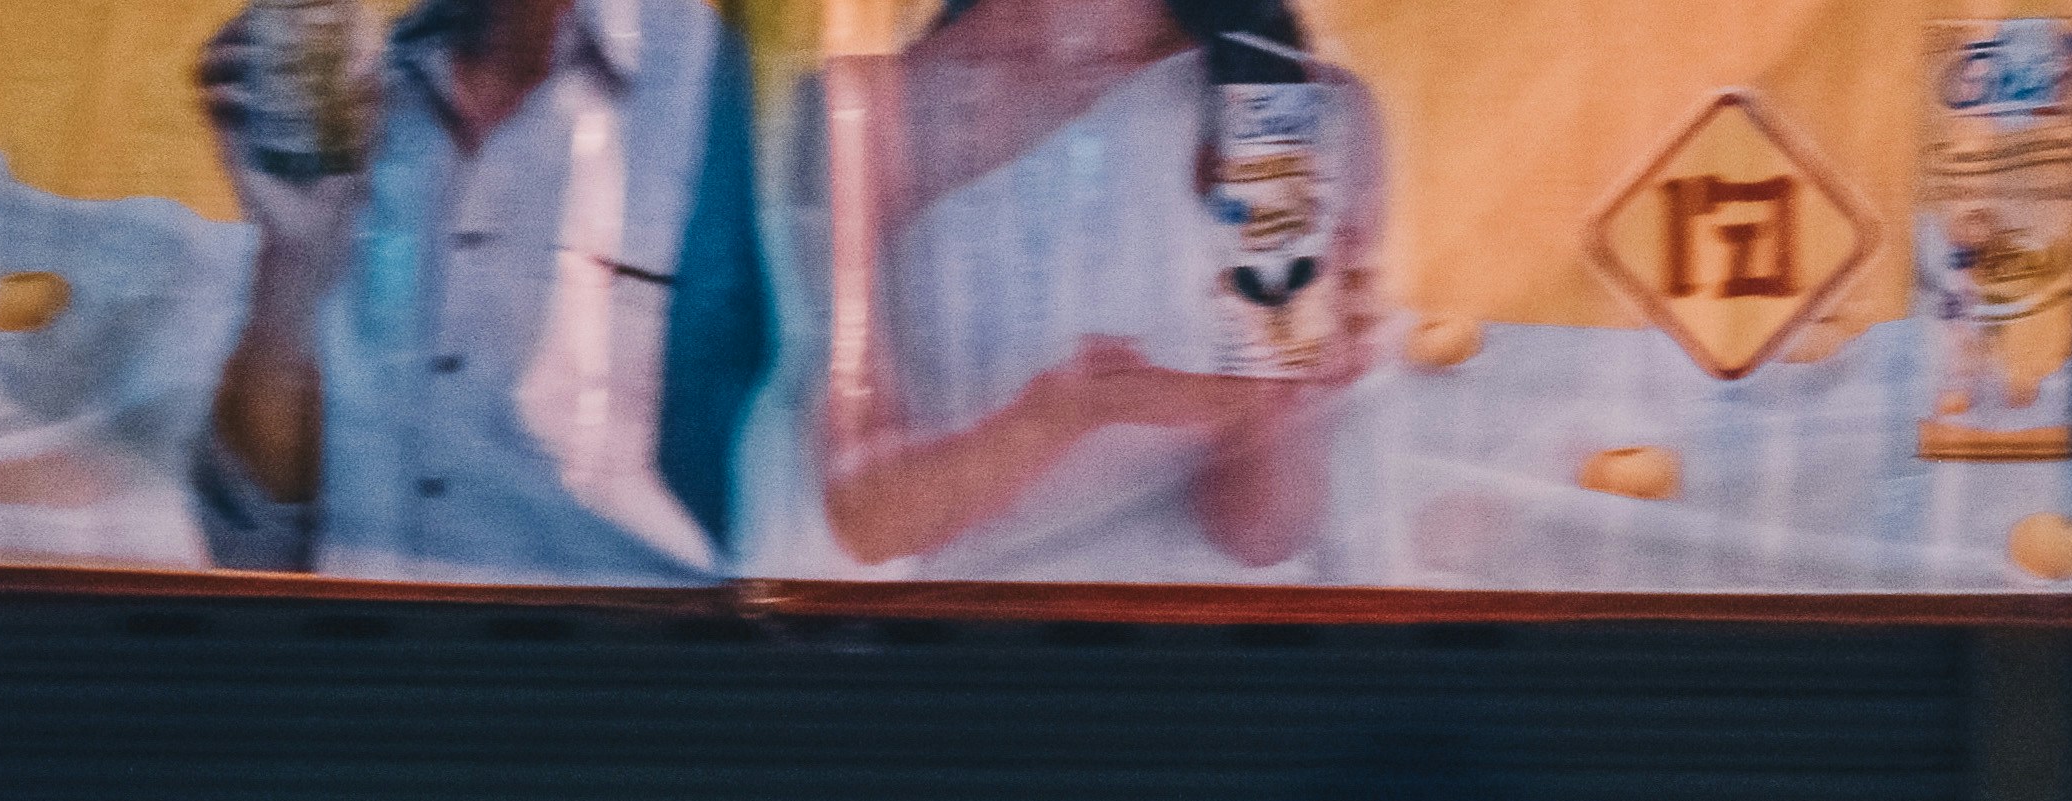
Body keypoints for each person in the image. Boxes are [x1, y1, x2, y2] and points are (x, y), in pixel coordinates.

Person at [191, 0, 771, 580]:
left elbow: (794, 534)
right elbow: (253, 550)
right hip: (359, 636)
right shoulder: (364, 89)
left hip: (632, 638)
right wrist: (291, 265)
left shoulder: (724, 86)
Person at [812, 0, 1372, 577]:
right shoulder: (868, 110)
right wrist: (1065, 411)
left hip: (1216, 621)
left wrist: (1281, 400)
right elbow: (869, 520)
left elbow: (1263, 533)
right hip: (976, 621)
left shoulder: (1280, 98)